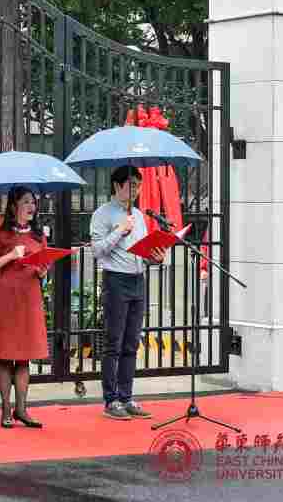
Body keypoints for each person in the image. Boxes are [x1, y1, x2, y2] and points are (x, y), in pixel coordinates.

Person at [90, 165, 167, 421]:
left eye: (138, 185)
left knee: (132, 342)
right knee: (114, 342)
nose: (135, 190)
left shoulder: (140, 215)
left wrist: (153, 257)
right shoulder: (102, 214)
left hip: (137, 279)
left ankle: (126, 396)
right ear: (117, 185)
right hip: (115, 280)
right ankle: (111, 400)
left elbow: (140, 250)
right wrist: (119, 231)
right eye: (131, 185)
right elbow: (97, 250)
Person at [0, 187, 49, 429]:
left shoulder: (39, 235)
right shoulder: (0, 235)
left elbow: (43, 265)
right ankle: (5, 409)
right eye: (26, 202)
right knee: (5, 354)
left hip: (30, 297)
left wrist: (43, 270)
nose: (31, 206)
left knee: (24, 357)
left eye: (33, 202)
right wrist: (11, 255)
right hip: (7, 298)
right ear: (13, 206)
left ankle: (22, 409)